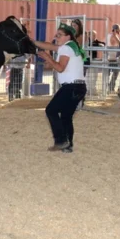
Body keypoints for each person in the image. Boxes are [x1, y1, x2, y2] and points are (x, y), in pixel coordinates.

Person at [33, 23, 87, 153]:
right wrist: (32, 42)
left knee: (50, 110)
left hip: (71, 87)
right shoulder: (71, 47)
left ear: (68, 37)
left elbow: (60, 68)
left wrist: (48, 58)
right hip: (80, 87)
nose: (56, 37)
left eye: (59, 35)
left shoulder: (66, 49)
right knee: (66, 116)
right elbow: (49, 46)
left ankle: (61, 140)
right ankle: (68, 145)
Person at [107, 24, 120, 93]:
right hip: (113, 58)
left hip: (109, 57)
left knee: (108, 74)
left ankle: (109, 87)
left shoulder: (109, 35)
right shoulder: (113, 36)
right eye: (119, 29)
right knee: (115, 73)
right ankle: (110, 88)